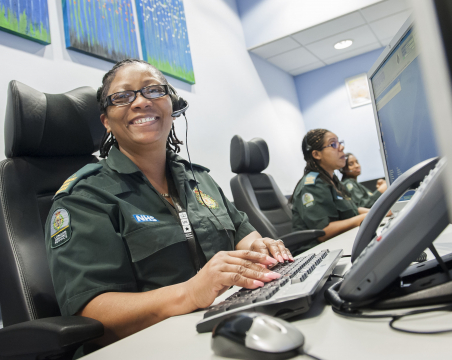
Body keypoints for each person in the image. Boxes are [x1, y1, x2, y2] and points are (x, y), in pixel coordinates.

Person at [45, 59, 294, 347]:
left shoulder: (199, 179)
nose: (140, 102)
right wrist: (189, 293)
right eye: (123, 96)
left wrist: (261, 249)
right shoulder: (84, 197)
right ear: (107, 122)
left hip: (228, 325)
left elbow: (243, 235)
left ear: (172, 108)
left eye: (153, 90)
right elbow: (91, 313)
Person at [290, 129, 370, 250]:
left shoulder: (333, 181)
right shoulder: (312, 185)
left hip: (340, 243)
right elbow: (323, 232)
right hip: (318, 252)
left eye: (339, 143)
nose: (341, 147)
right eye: (333, 144)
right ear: (317, 154)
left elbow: (352, 210)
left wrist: (377, 212)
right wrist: (363, 218)